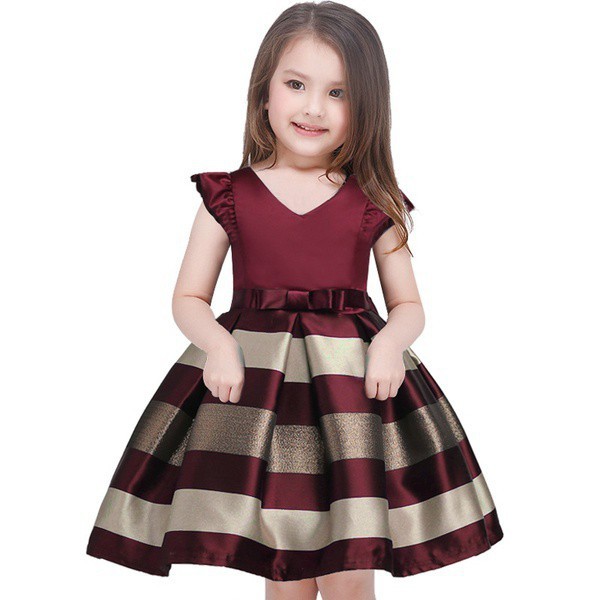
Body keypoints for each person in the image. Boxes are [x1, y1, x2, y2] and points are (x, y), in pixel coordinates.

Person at [86, 2, 504, 598]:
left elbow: (409, 306)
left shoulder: (374, 201)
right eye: (296, 85)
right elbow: (188, 297)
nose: (313, 108)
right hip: (257, 394)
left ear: (367, 106)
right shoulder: (228, 196)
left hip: (351, 394)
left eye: (338, 93)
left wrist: (389, 344)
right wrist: (217, 346)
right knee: (280, 559)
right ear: (265, 92)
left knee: (351, 562)